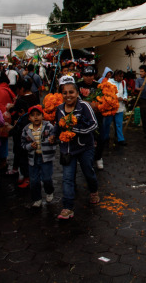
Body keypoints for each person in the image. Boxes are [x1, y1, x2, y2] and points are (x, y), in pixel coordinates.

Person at [50, 75, 99, 219]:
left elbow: (94, 125)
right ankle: (67, 207)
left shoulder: (84, 106)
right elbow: (58, 125)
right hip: (67, 150)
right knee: (67, 178)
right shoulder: (59, 109)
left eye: (71, 92)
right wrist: (53, 134)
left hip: (85, 148)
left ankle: (94, 190)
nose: (68, 95)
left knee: (88, 172)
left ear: (77, 93)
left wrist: (74, 130)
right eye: (65, 93)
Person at [21, 105, 56, 208]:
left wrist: (52, 140)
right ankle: (37, 199)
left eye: (38, 115)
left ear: (43, 116)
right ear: (29, 118)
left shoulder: (49, 127)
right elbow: (22, 144)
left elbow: (56, 139)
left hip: (46, 158)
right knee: (34, 181)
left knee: (47, 178)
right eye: (33, 115)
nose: (36, 117)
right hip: (33, 159)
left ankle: (49, 191)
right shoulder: (26, 129)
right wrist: (29, 146)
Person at [77, 66, 105, 170]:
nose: (89, 78)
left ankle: (98, 158)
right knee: (85, 138)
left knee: (100, 138)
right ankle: (86, 159)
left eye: (91, 75)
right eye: (86, 75)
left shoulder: (99, 86)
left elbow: (105, 99)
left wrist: (99, 106)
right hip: (83, 117)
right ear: (83, 76)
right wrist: (89, 104)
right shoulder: (77, 86)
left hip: (97, 117)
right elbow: (76, 99)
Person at [8, 99, 31, 187]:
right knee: (22, 161)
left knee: (24, 162)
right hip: (20, 146)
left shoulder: (25, 120)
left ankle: (27, 178)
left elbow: (19, 131)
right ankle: (25, 177)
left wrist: (12, 129)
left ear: (21, 111)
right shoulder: (23, 118)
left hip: (23, 146)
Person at [104, 69, 127, 146]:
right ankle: (105, 138)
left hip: (120, 107)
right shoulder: (109, 82)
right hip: (110, 107)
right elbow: (107, 94)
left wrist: (125, 97)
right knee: (107, 123)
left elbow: (125, 92)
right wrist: (117, 98)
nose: (122, 78)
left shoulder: (123, 82)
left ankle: (120, 139)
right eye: (120, 76)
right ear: (116, 76)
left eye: (122, 76)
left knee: (119, 124)